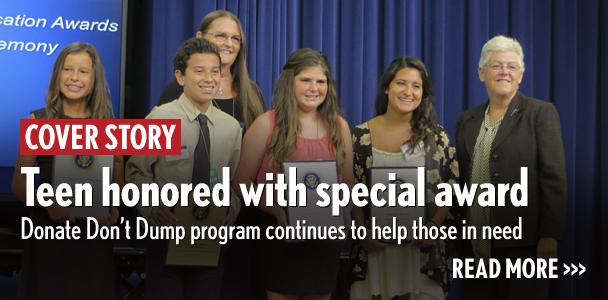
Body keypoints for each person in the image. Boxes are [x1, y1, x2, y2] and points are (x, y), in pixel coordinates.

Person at [233, 48, 354, 300]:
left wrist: (344, 218)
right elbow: (241, 182)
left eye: (321, 81)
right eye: (306, 80)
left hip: (324, 239)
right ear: (290, 82)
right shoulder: (267, 124)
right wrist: (278, 211)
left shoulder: (339, 127)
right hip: (279, 235)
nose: (314, 88)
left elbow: (348, 183)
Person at [126, 37, 242, 300]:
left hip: (211, 239)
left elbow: (235, 181)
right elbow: (136, 174)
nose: (209, 78)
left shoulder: (231, 128)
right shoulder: (160, 118)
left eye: (215, 71)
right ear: (180, 76)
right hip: (166, 236)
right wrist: (153, 208)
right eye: (199, 71)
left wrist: (232, 207)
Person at [455, 35, 567, 300]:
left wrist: (550, 234)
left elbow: (554, 178)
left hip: (524, 245)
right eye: (496, 65)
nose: (504, 71)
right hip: (476, 246)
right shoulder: (466, 120)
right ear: (481, 73)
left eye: (512, 66)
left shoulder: (540, 113)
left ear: (521, 75)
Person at [12, 42, 122, 300]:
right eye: (68, 69)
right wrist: (49, 203)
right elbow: (19, 184)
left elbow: (118, 187)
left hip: (93, 240)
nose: (74, 78)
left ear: (95, 79)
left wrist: (111, 210)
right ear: (57, 75)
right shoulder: (37, 121)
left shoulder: (110, 125)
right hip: (49, 237)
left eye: (83, 72)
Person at [349, 57, 459, 300]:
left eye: (416, 86)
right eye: (401, 83)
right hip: (375, 253)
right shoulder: (360, 135)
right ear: (387, 87)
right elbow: (351, 188)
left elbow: (451, 186)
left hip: (420, 254)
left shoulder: (436, 137)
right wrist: (361, 232)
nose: (408, 92)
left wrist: (433, 227)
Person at [157, 10, 265, 128]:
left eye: (235, 38)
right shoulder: (176, 90)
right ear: (199, 37)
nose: (229, 44)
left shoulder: (253, 93)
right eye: (221, 36)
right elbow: (154, 144)